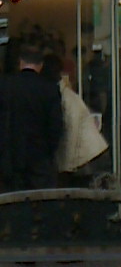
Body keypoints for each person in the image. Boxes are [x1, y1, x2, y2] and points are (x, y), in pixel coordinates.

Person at [0, 46, 63, 190]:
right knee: (41, 200)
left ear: (20, 62)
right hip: (39, 156)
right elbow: (55, 126)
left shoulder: (5, 85)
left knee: (12, 200)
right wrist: (49, 151)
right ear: (41, 65)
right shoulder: (50, 88)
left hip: (10, 156)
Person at [42, 53, 108, 180]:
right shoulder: (65, 95)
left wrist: (66, 166)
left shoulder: (66, 98)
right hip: (88, 155)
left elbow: (71, 132)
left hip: (87, 158)